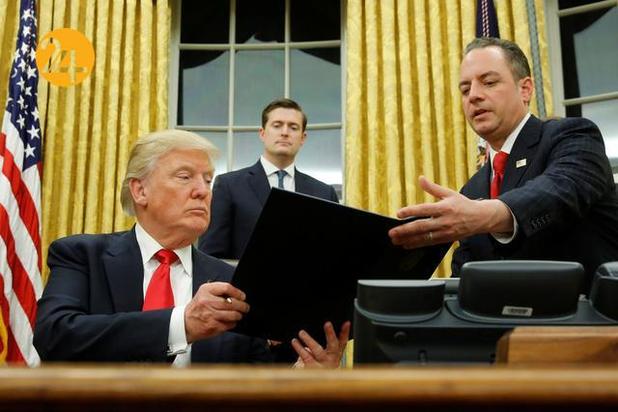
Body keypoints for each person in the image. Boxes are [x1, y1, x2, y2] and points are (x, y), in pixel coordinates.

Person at [34, 129, 349, 366]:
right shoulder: (81, 255)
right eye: (185, 177)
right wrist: (182, 324)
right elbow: (54, 338)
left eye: (208, 180)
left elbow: (256, 380)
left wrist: (303, 374)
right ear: (140, 190)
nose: (203, 191)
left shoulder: (232, 282)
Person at [388, 37, 618, 293]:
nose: (474, 96)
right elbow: (462, 284)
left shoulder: (572, 135)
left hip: (587, 314)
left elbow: (561, 191)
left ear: (525, 89)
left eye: (489, 82)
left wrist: (486, 216)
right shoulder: (471, 191)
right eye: (465, 89)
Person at [198, 98, 339, 259]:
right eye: (277, 125)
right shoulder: (229, 186)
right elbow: (210, 256)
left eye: (293, 127)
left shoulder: (324, 193)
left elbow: (333, 255)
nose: (285, 132)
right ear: (262, 133)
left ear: (303, 138)